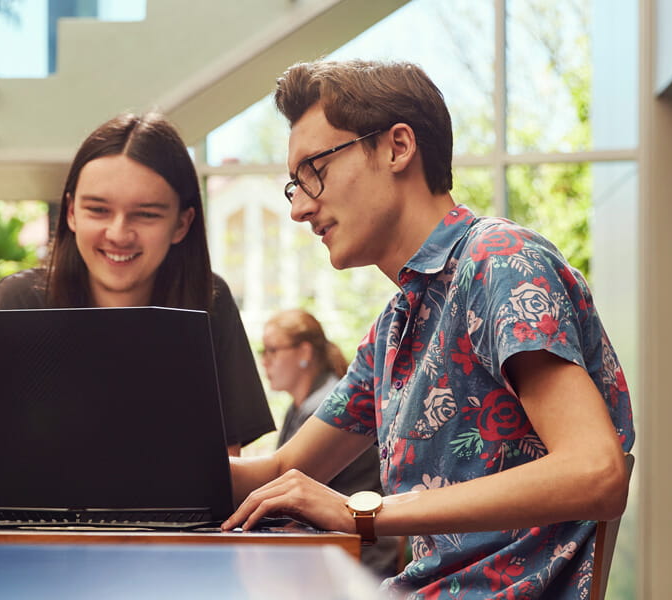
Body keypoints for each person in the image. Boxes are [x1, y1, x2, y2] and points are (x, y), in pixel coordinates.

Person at [221, 60, 636, 598]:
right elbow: (279, 469)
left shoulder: (501, 263)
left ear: (397, 147)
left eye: (314, 169)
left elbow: (596, 472)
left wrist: (362, 512)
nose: (300, 207)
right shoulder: (394, 327)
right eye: (293, 185)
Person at [0, 113, 276, 488]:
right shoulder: (19, 303)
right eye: (98, 210)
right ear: (71, 213)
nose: (118, 233)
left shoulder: (209, 301)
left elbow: (221, 472)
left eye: (146, 214)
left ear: (182, 223)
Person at [260, 309, 398, 577]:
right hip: (333, 548)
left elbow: (286, 483)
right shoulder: (301, 406)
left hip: (356, 556)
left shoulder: (322, 407)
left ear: (304, 353)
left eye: (272, 350)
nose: (265, 361)